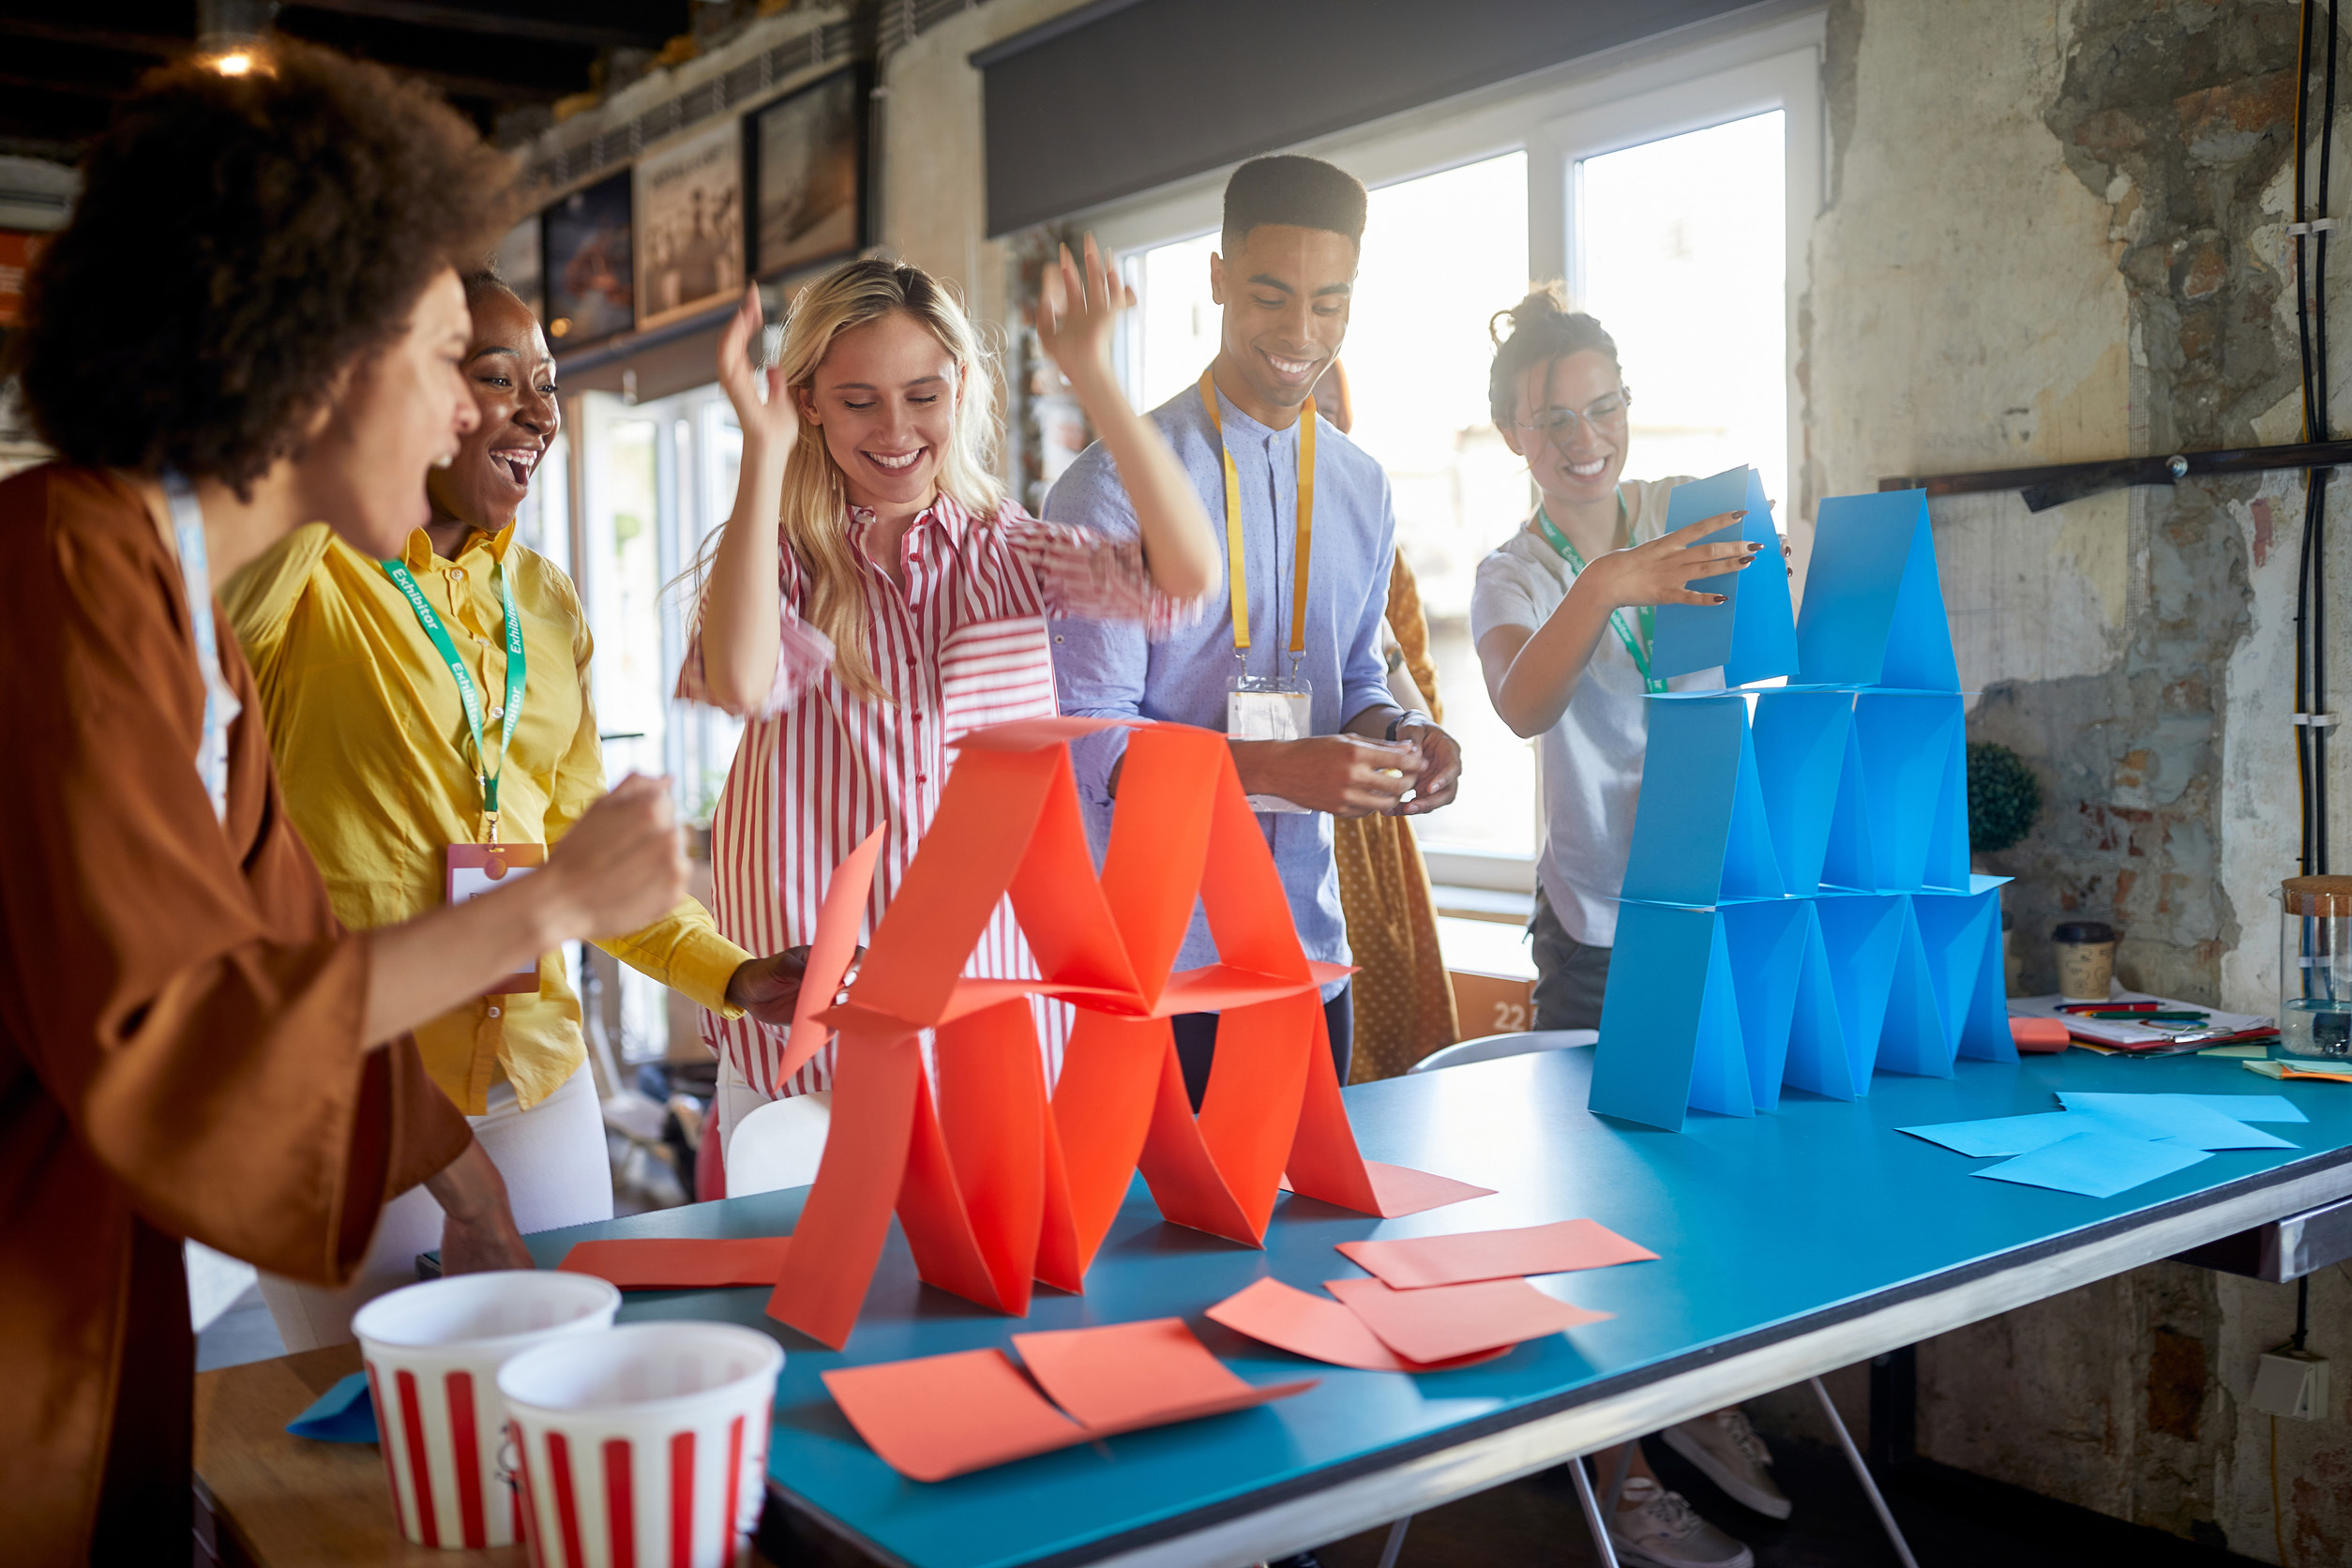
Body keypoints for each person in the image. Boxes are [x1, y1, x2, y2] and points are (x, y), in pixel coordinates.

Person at [0, 44, 689, 1564]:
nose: (473, 419)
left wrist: (458, 1175)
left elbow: (297, 956)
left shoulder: (189, 617)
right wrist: (554, 900)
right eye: (454, 358)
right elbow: (173, 1034)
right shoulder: (60, 566)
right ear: (313, 348)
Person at [221, 271, 812, 1349]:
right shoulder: (306, 569)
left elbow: (580, 868)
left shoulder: (543, 598)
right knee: (373, 1436)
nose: (541, 413)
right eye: (501, 380)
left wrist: (732, 971)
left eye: (548, 384)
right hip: (355, 1085)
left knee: (551, 1398)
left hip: (537, 1073)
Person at [676, 244, 1218, 1174]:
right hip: (813, 1035)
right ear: (806, 398)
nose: (895, 428)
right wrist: (760, 450)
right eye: (858, 400)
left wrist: (1093, 373)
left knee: (987, 1305)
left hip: (988, 1021)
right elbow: (737, 678)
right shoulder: (778, 555)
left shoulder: (1004, 548)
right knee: (811, 1309)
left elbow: (1186, 578)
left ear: (962, 388)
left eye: (923, 395)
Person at [1470, 286, 1785, 1567]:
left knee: (1722, 1187)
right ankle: (1620, 1477)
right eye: (1556, 419)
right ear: (1517, 439)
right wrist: (1606, 582)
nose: (1585, 435)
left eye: (1603, 407)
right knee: (1598, 1213)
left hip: (1721, 900)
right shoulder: (1518, 567)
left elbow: (1776, 647)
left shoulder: (1692, 522)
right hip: (1599, 932)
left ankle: (1697, 1398)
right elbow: (1522, 705)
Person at [1050, 155, 1464, 1108]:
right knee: (1172, 1257)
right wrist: (1276, 771)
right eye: (1272, 296)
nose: (1301, 333)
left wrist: (1400, 736)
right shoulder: (1112, 486)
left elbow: (1358, 673)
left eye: (1330, 303)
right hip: (1162, 965)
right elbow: (1091, 745)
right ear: (1218, 280)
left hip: (1308, 951)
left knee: (1316, 1248)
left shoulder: (1362, 485)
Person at [1310, 360, 1458, 1079]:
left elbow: (1422, 717)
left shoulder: (1376, 540)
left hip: (1368, 845)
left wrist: (1370, 637)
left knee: (1395, 1089)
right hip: (1274, 830)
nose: (1319, 425)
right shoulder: (1214, 534)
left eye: (1334, 411)